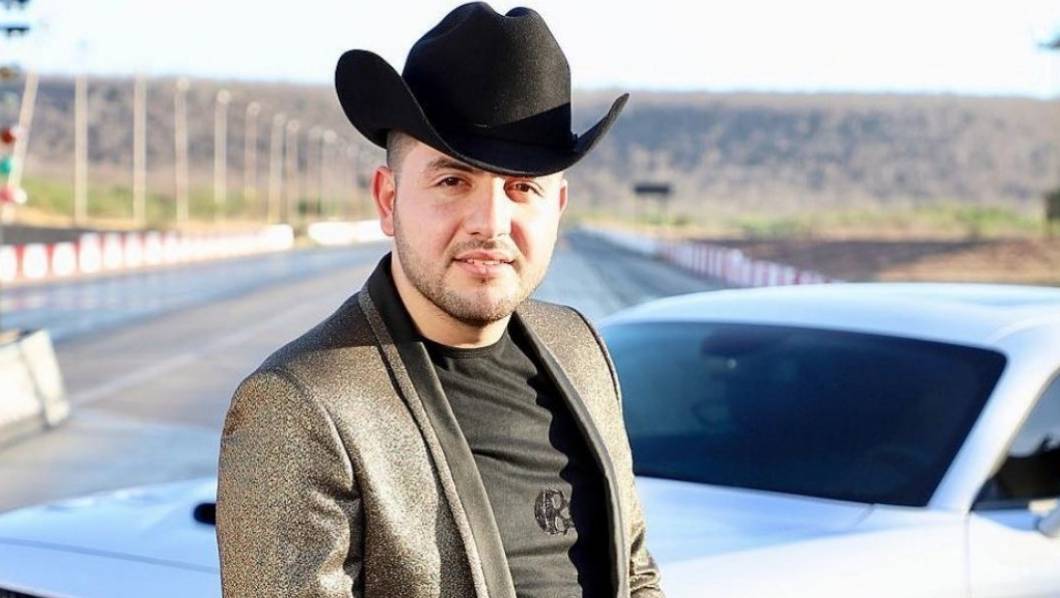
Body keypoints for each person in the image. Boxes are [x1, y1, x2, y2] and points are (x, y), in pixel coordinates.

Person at [215, 3, 663, 597]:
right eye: (453, 181)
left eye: (521, 188)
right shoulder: (300, 406)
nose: (490, 223)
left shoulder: (580, 348)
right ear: (388, 200)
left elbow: (634, 572)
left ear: (557, 207)